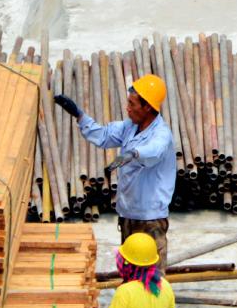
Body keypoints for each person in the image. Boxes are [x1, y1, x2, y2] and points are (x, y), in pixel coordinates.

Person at [53, 74, 175, 254]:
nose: (128, 108)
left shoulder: (161, 134)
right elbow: (103, 136)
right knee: (130, 268)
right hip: (127, 213)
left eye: (132, 104)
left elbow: (154, 151)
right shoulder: (129, 127)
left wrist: (134, 153)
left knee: (151, 274)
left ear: (147, 107)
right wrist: (79, 115)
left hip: (150, 219)